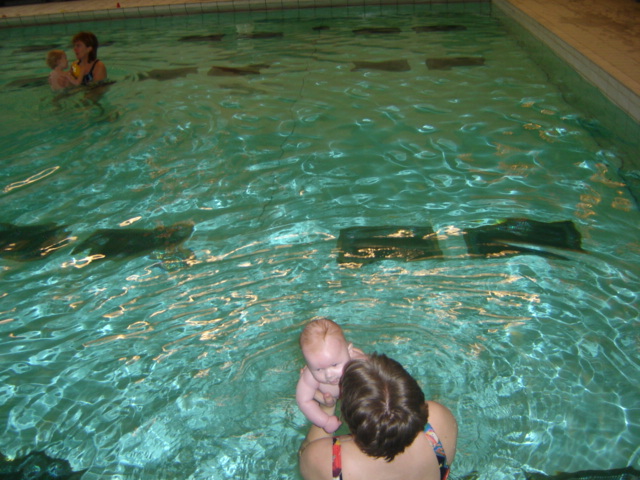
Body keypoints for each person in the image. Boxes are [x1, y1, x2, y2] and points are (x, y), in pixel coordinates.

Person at [299, 354, 458, 480]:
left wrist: (326, 408)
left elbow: (305, 456)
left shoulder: (328, 463)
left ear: (347, 417)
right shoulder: (439, 420)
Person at [296, 318, 366, 434]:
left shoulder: (360, 364)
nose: (329, 375)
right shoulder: (310, 376)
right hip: (327, 397)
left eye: (334, 365)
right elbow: (303, 401)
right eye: (318, 369)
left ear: (349, 352)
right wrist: (325, 421)